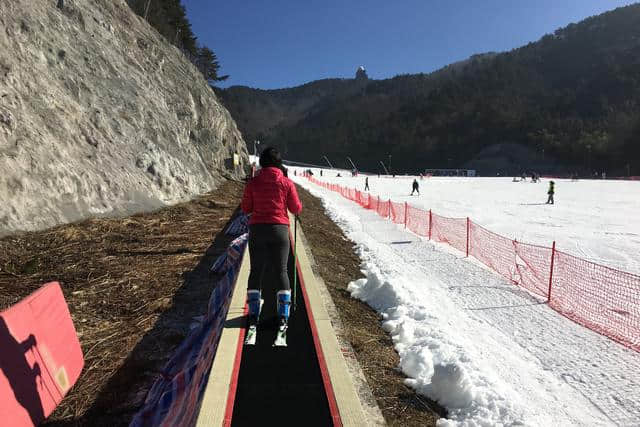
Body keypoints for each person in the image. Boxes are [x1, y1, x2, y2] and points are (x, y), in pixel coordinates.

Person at [241, 147, 302, 330]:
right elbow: (296, 208)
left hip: (258, 230)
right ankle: (283, 315)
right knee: (281, 271)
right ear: (279, 163)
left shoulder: (253, 183)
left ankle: (253, 314)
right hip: (280, 230)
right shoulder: (286, 183)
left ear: (261, 162)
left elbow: (246, 208)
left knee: (256, 271)